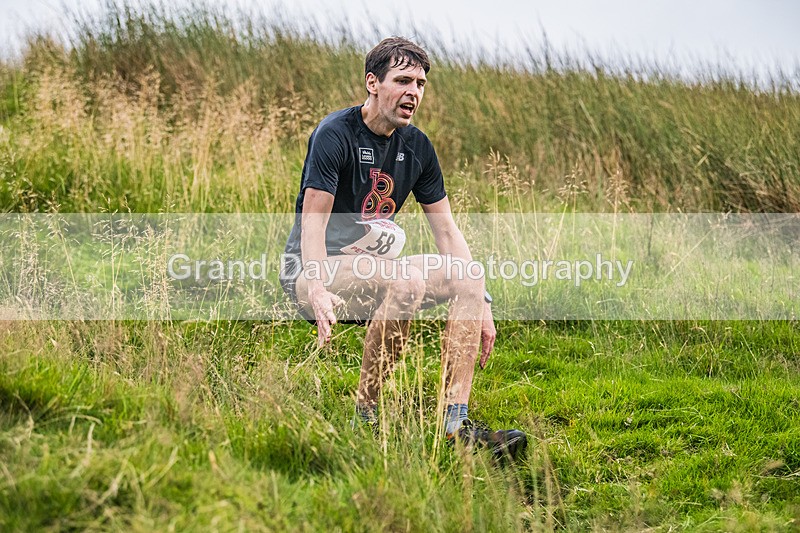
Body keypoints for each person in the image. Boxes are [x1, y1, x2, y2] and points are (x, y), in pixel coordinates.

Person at [281, 37, 526, 460]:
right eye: (403, 80)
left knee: (469, 276)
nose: (414, 92)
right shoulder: (334, 134)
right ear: (372, 83)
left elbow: (446, 231)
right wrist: (317, 288)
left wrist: (482, 301)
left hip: (377, 268)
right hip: (313, 270)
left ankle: (455, 425)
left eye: (421, 84)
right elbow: (313, 220)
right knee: (408, 280)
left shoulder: (417, 147)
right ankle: (365, 418)